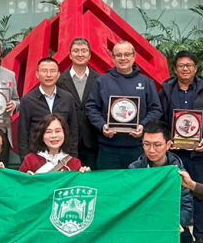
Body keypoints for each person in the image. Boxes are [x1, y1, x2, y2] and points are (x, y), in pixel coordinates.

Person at [159, 51, 203, 243]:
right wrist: (167, 140)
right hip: (174, 153)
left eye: (189, 65)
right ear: (174, 69)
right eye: (181, 66)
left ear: (195, 68)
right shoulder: (165, 91)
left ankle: (200, 236)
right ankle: (179, 232)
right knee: (174, 194)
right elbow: (160, 118)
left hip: (197, 153)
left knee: (198, 192)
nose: (185, 69)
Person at [128, 120, 195, 243]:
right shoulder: (134, 169)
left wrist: (179, 222)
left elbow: (186, 204)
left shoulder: (178, 172)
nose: (151, 150)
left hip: (168, 222)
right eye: (146, 144)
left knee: (184, 237)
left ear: (168, 144)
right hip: (143, 223)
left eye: (157, 145)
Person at [85, 40, 163, 170]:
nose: (123, 58)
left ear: (134, 56)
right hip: (108, 149)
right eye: (118, 55)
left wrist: (143, 126)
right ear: (113, 58)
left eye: (127, 54)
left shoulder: (146, 82)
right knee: (109, 182)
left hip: (138, 148)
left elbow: (156, 109)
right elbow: (91, 108)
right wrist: (102, 125)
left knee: (137, 182)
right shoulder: (102, 81)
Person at [17, 57, 78, 157]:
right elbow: (23, 133)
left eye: (52, 71)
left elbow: (73, 130)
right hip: (37, 156)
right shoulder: (27, 100)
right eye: (44, 71)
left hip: (63, 155)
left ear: (58, 74)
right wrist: (26, 160)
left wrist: (72, 157)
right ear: (37, 74)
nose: (48, 75)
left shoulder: (67, 98)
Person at [56, 37, 101, 167]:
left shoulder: (99, 80)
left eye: (84, 51)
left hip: (92, 141)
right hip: (66, 141)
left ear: (89, 55)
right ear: (70, 55)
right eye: (76, 51)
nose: (80, 54)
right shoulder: (59, 81)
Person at [18, 114, 90, 173]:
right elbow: (18, 183)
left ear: (64, 134)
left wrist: (85, 175)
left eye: (58, 131)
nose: (54, 136)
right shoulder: (30, 160)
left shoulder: (74, 163)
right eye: (48, 132)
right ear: (41, 135)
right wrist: (26, 179)